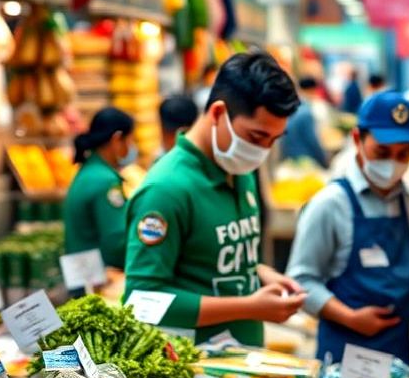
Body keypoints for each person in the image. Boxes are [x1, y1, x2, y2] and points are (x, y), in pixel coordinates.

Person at [123, 53, 305, 346]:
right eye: (257, 136)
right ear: (219, 113)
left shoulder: (238, 168)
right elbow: (141, 299)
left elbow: (211, 259)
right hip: (193, 373)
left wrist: (261, 274)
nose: (263, 151)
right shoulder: (165, 189)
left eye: (274, 139)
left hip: (241, 364)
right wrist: (250, 307)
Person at [286, 91, 409, 364]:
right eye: (382, 152)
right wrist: (349, 317)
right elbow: (300, 282)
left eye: (403, 154)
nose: (393, 164)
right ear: (357, 140)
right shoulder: (330, 204)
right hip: (347, 354)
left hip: (402, 349)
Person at [63, 107, 135, 269]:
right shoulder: (106, 182)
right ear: (117, 139)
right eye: (130, 140)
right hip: (99, 278)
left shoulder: (89, 171)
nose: (131, 147)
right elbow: (116, 240)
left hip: (82, 273)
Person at [282, 77, 329, 167]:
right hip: (304, 160)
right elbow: (312, 141)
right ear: (313, 90)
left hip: (289, 158)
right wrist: (324, 161)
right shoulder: (306, 112)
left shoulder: (292, 106)